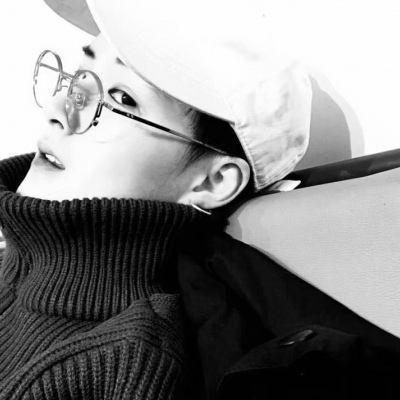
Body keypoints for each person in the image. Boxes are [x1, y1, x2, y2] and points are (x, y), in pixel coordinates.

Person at [1, 1, 399, 400]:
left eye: (122, 98)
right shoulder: (16, 261)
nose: (59, 109)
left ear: (213, 181)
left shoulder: (119, 368)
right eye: (78, 77)